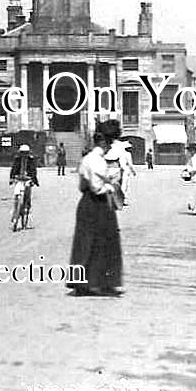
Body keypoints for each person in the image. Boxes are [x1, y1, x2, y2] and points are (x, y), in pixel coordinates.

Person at [67, 119, 123, 297]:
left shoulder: (86, 159)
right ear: (104, 142)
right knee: (104, 243)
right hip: (98, 204)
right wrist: (112, 185)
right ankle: (102, 283)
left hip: (85, 204)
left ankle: (80, 284)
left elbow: (82, 184)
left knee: (83, 242)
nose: (110, 147)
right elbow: (97, 187)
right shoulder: (98, 161)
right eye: (111, 143)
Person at [9, 144, 39, 231]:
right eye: (23, 153)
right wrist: (11, 178)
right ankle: (15, 212)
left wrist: (33, 180)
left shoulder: (31, 160)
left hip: (27, 180)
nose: (24, 155)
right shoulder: (17, 159)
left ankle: (27, 207)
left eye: (26, 153)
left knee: (27, 195)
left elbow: (33, 171)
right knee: (16, 195)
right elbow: (13, 169)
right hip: (19, 179)